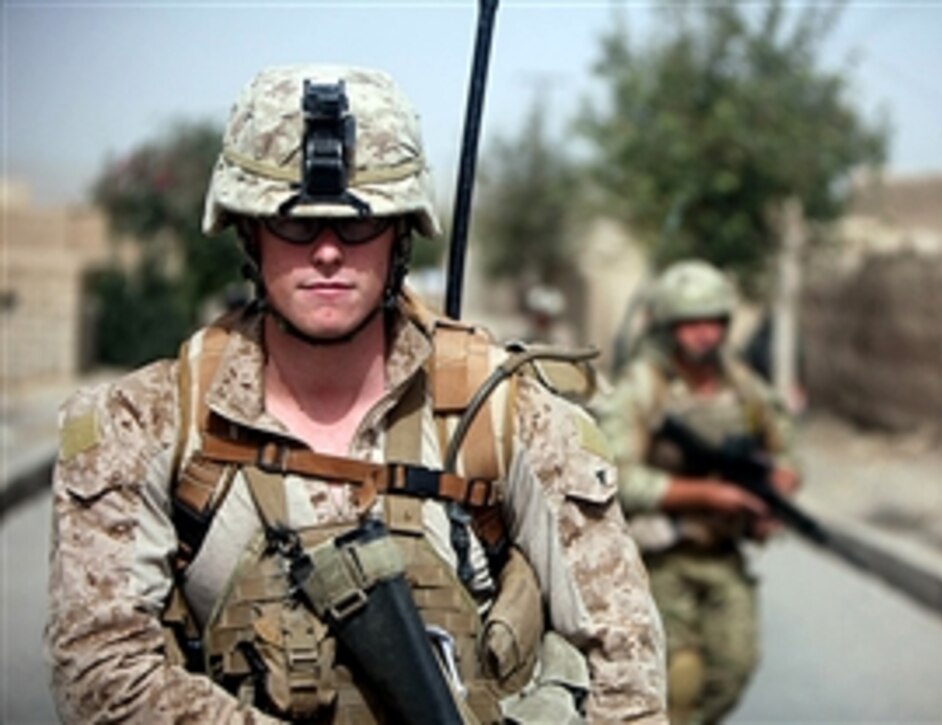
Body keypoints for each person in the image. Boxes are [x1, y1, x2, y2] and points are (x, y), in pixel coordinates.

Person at [46, 65, 666, 723]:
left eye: (358, 225)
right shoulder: (142, 425)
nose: (327, 252)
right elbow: (102, 676)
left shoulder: (505, 413)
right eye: (294, 225)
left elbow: (624, 662)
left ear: (402, 232)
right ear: (247, 232)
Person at [596, 259, 800, 724]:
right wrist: (705, 496)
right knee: (678, 677)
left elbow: (785, 444)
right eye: (691, 323)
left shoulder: (742, 383)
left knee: (734, 668)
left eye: (713, 322)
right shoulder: (642, 388)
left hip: (724, 554)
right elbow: (616, 475)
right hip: (659, 556)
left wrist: (774, 491)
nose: (704, 334)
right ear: (669, 327)